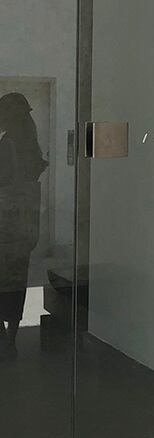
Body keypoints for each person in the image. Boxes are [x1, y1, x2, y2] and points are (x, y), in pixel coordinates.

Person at [0, 92, 48, 360]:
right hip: (25, 226)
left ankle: (3, 338)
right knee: (17, 280)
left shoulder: (8, 143)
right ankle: (11, 339)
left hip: (5, 223)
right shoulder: (31, 144)